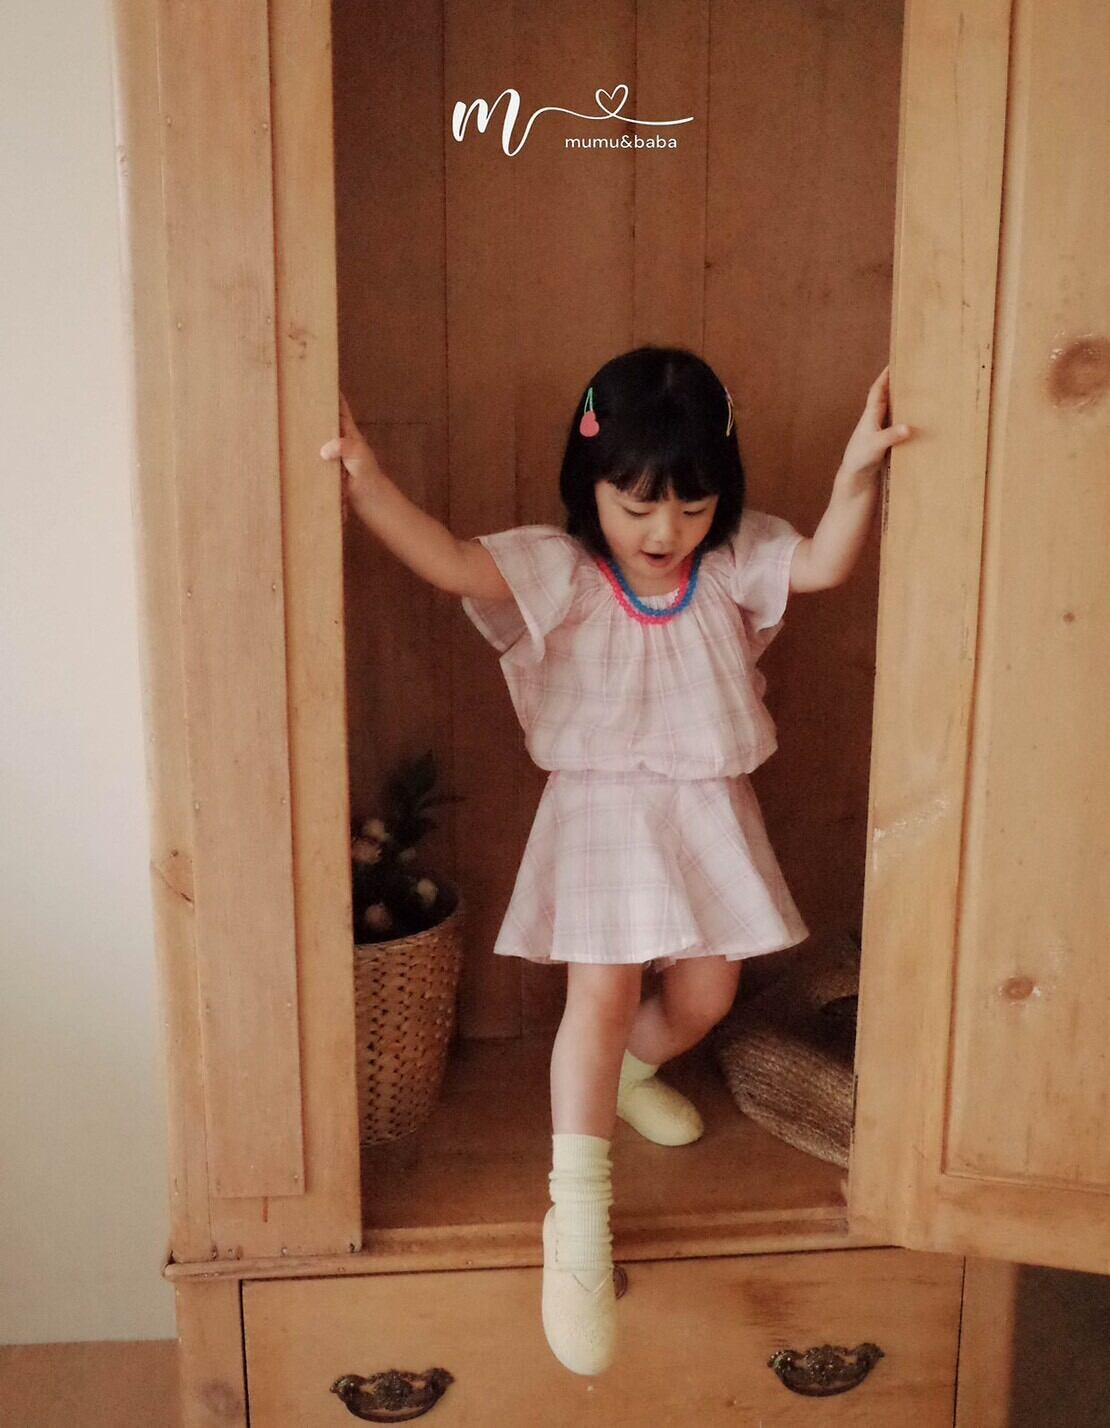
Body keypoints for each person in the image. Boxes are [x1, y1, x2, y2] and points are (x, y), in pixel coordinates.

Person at [320, 345, 911, 1376]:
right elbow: (450, 562)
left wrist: (858, 473)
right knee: (598, 998)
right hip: (599, 813)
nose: (664, 531)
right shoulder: (562, 570)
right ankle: (578, 1215)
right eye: (637, 505)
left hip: (707, 811)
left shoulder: (732, 561)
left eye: (691, 506)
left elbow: (821, 565)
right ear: (589, 486)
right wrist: (366, 480)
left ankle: (634, 1075)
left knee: (709, 993)